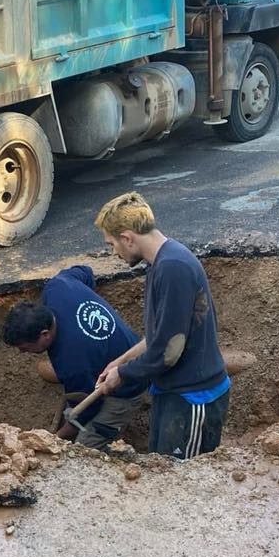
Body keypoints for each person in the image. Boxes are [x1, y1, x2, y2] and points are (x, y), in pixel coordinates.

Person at [93, 192, 229, 459]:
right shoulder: (160, 263)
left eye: (112, 244)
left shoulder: (173, 268)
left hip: (194, 397)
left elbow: (168, 352)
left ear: (127, 237)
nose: (114, 253)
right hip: (173, 393)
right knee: (161, 471)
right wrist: (119, 362)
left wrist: (123, 374)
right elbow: (160, 334)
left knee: (183, 481)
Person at [2, 265, 143, 450]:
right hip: (128, 344)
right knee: (58, 372)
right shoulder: (57, 287)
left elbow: (87, 410)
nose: (23, 353)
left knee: (85, 448)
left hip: (130, 383)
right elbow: (85, 271)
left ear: (45, 334)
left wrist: (55, 439)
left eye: (26, 348)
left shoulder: (72, 363)